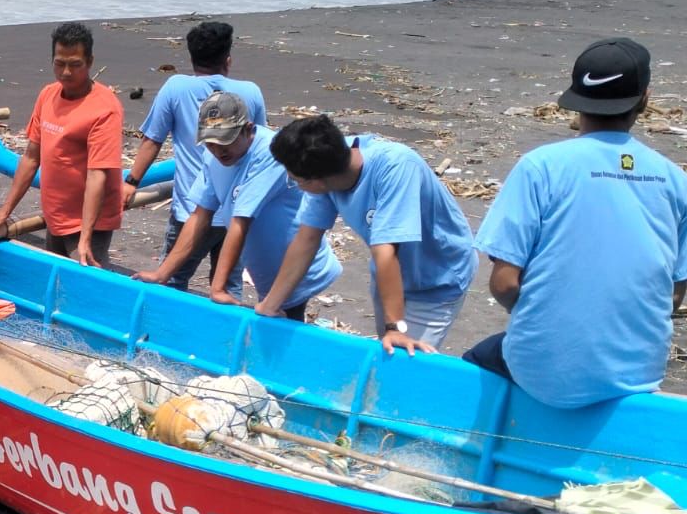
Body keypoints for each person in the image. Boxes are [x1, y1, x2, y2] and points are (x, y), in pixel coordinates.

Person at [466, 38, 687, 407]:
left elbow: (504, 284)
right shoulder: (676, 180)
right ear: (645, 99)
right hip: (638, 372)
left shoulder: (540, 166)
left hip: (543, 371)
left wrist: (548, 314)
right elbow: (673, 297)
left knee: (478, 360)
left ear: (577, 97)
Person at [257, 115, 477, 354]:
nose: (295, 184)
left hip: (437, 278)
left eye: (295, 180)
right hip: (390, 275)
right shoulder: (324, 161)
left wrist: (395, 327)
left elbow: (385, 251)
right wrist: (271, 304)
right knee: (387, 349)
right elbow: (306, 240)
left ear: (317, 180)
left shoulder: (395, 166)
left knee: (403, 359)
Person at [139, 92, 340, 319]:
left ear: (247, 129)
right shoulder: (213, 157)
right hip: (264, 266)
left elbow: (240, 221)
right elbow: (200, 215)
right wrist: (162, 274)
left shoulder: (270, 152)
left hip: (296, 265)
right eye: (211, 143)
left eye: (226, 141)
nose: (218, 150)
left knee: (285, 324)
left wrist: (217, 287)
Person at [124, 21, 264, 295]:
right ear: (228, 59)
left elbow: (153, 140)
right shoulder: (250, 92)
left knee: (172, 283)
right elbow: (255, 145)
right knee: (227, 286)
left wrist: (131, 182)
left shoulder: (176, 87)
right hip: (236, 211)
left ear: (191, 57)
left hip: (190, 210)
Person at [0, 22, 124, 266]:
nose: (66, 72)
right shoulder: (48, 95)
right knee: (55, 275)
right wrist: (5, 211)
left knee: (86, 279)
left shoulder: (105, 108)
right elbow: (31, 157)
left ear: (90, 62)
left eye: (75, 64)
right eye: (60, 63)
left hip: (89, 222)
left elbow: (97, 175)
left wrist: (85, 238)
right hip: (55, 214)